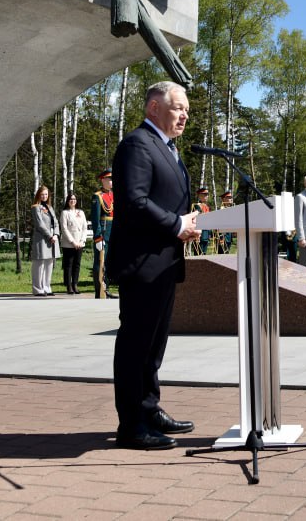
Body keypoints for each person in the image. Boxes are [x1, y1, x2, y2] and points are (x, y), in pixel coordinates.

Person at [105, 81, 200, 451]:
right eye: (178, 108)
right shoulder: (137, 145)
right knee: (136, 344)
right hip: (142, 263)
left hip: (164, 263)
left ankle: (149, 408)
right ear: (153, 108)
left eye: (187, 110)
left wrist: (185, 224)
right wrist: (178, 225)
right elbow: (133, 201)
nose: (185, 115)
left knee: (154, 345)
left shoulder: (168, 148)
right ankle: (131, 425)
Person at [29, 185, 60, 296]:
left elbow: (56, 222)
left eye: (46, 194)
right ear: (38, 195)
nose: (44, 196)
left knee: (49, 264)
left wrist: (56, 234)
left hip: (52, 238)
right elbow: (39, 224)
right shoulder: (35, 207)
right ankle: (38, 289)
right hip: (42, 238)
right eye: (42, 194)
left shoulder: (49, 207)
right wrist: (49, 236)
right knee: (39, 264)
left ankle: (47, 287)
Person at [90, 169, 114, 298]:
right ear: (103, 180)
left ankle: (106, 288)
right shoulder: (97, 196)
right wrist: (98, 237)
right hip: (103, 231)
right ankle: (99, 290)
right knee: (100, 262)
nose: (111, 182)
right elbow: (95, 219)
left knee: (109, 262)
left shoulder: (113, 195)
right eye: (109, 179)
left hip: (113, 232)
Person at [58, 192, 88, 295]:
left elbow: (85, 227)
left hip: (80, 243)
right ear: (67, 201)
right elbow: (64, 228)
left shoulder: (81, 212)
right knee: (68, 265)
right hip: (69, 243)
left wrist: (82, 241)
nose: (73, 201)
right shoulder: (65, 213)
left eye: (74, 199)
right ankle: (69, 285)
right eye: (71, 199)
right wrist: (73, 242)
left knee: (77, 265)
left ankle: (75, 284)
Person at [190, 187, 211, 256]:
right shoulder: (197, 206)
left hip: (206, 232)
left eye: (207, 194)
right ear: (199, 195)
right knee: (198, 253)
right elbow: (195, 219)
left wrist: (209, 233)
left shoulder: (207, 206)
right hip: (200, 232)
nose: (207, 196)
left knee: (204, 252)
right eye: (205, 194)